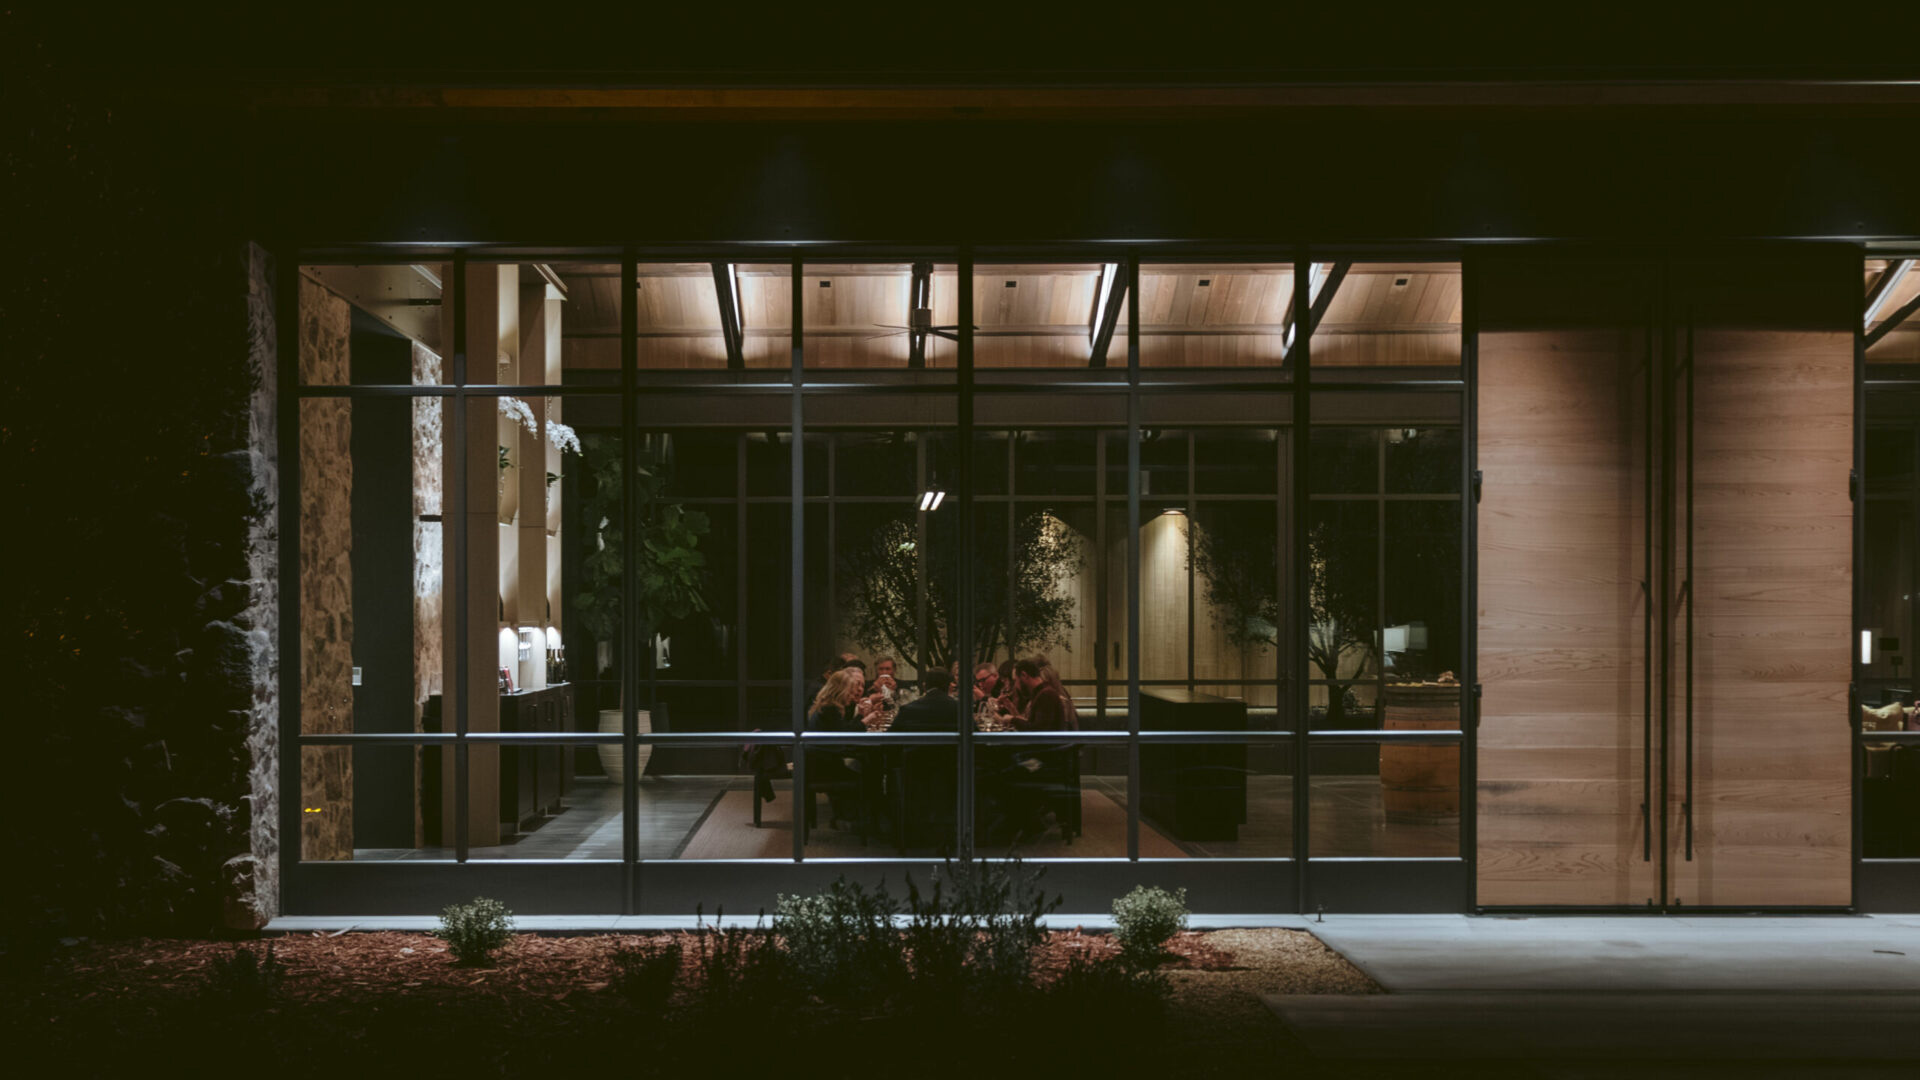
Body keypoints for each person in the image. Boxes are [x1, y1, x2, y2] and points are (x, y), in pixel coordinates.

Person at [805, 667, 868, 824]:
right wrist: (865, 718)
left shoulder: (826, 706)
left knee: (863, 767)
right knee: (868, 776)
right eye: (850, 690)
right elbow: (846, 736)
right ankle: (862, 819)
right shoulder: (831, 709)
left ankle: (847, 815)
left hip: (819, 763)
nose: (853, 694)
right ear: (840, 690)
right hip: (824, 767)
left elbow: (843, 733)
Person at [1012, 658, 1079, 731]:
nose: (1015, 685)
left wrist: (1012, 720)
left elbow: (1039, 730)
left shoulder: (1046, 694)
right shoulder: (1042, 693)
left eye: (1015, 680)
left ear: (1024, 675)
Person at [890, 668, 964, 733]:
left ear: (924, 687)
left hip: (917, 749)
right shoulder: (960, 710)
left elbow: (889, 741)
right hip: (952, 749)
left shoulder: (908, 710)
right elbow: (974, 738)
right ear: (949, 687)